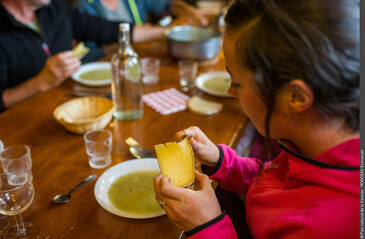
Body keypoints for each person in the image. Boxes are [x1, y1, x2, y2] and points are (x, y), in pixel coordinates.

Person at [154, 0, 360, 238]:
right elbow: (275, 178)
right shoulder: (318, 144)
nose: (231, 92)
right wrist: (221, 161)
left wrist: (206, 227)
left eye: (237, 83)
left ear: (295, 96)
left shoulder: (326, 226)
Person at [0, 0, 164, 112]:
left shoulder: (55, 9)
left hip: (70, 107)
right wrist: (40, 82)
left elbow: (109, 29)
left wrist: (167, 32)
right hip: (23, 125)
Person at [76, 0, 209, 62]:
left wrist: (188, 11)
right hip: (111, 66)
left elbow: (166, 4)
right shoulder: (84, 6)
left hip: (141, 58)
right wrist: (121, 46)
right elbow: (86, 55)